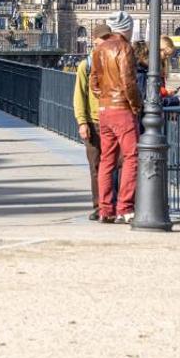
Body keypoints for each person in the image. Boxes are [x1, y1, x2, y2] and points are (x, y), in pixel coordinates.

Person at [89, 11, 141, 224]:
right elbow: (128, 82)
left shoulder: (99, 49)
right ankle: (125, 208)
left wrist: (104, 98)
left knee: (107, 159)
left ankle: (105, 209)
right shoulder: (124, 47)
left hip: (104, 110)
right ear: (126, 28)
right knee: (132, 157)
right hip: (122, 109)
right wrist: (136, 105)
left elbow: (93, 82)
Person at [73, 24, 112, 221]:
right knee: (96, 167)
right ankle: (99, 207)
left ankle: (110, 205)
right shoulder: (85, 66)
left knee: (115, 165)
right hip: (93, 122)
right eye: (101, 40)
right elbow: (78, 96)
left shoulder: (114, 62)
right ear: (95, 41)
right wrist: (82, 122)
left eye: (108, 39)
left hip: (111, 120)